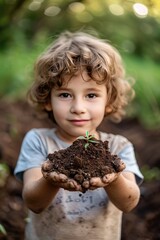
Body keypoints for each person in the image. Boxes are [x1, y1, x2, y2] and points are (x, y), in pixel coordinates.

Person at [14, 31, 143, 240]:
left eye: (91, 95)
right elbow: (34, 203)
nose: (78, 108)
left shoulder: (119, 148)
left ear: (108, 101)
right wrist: (51, 179)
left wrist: (113, 178)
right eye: (65, 95)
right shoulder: (38, 141)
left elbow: (128, 202)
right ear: (48, 99)